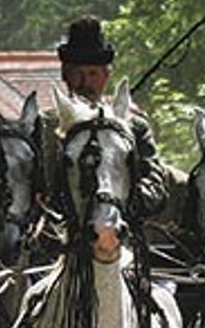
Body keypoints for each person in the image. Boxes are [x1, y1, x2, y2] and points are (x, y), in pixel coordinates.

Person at [44, 15, 170, 221]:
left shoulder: (134, 125)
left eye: (93, 73)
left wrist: (121, 200)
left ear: (106, 76)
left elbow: (156, 187)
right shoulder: (45, 125)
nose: (85, 82)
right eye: (78, 74)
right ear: (65, 75)